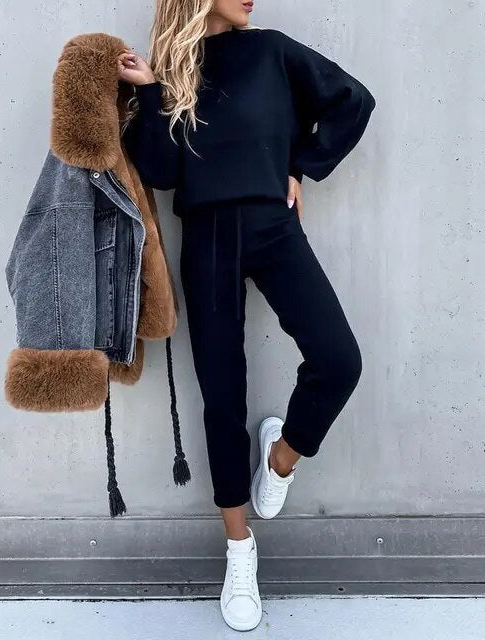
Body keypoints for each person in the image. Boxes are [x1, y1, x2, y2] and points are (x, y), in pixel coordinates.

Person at [118, 0, 376, 631]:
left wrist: (301, 165)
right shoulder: (174, 74)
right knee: (222, 396)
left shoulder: (272, 51)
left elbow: (353, 101)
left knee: (338, 360)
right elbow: (160, 173)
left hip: (273, 226)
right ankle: (239, 550)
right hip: (207, 239)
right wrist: (150, 91)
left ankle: (281, 456)